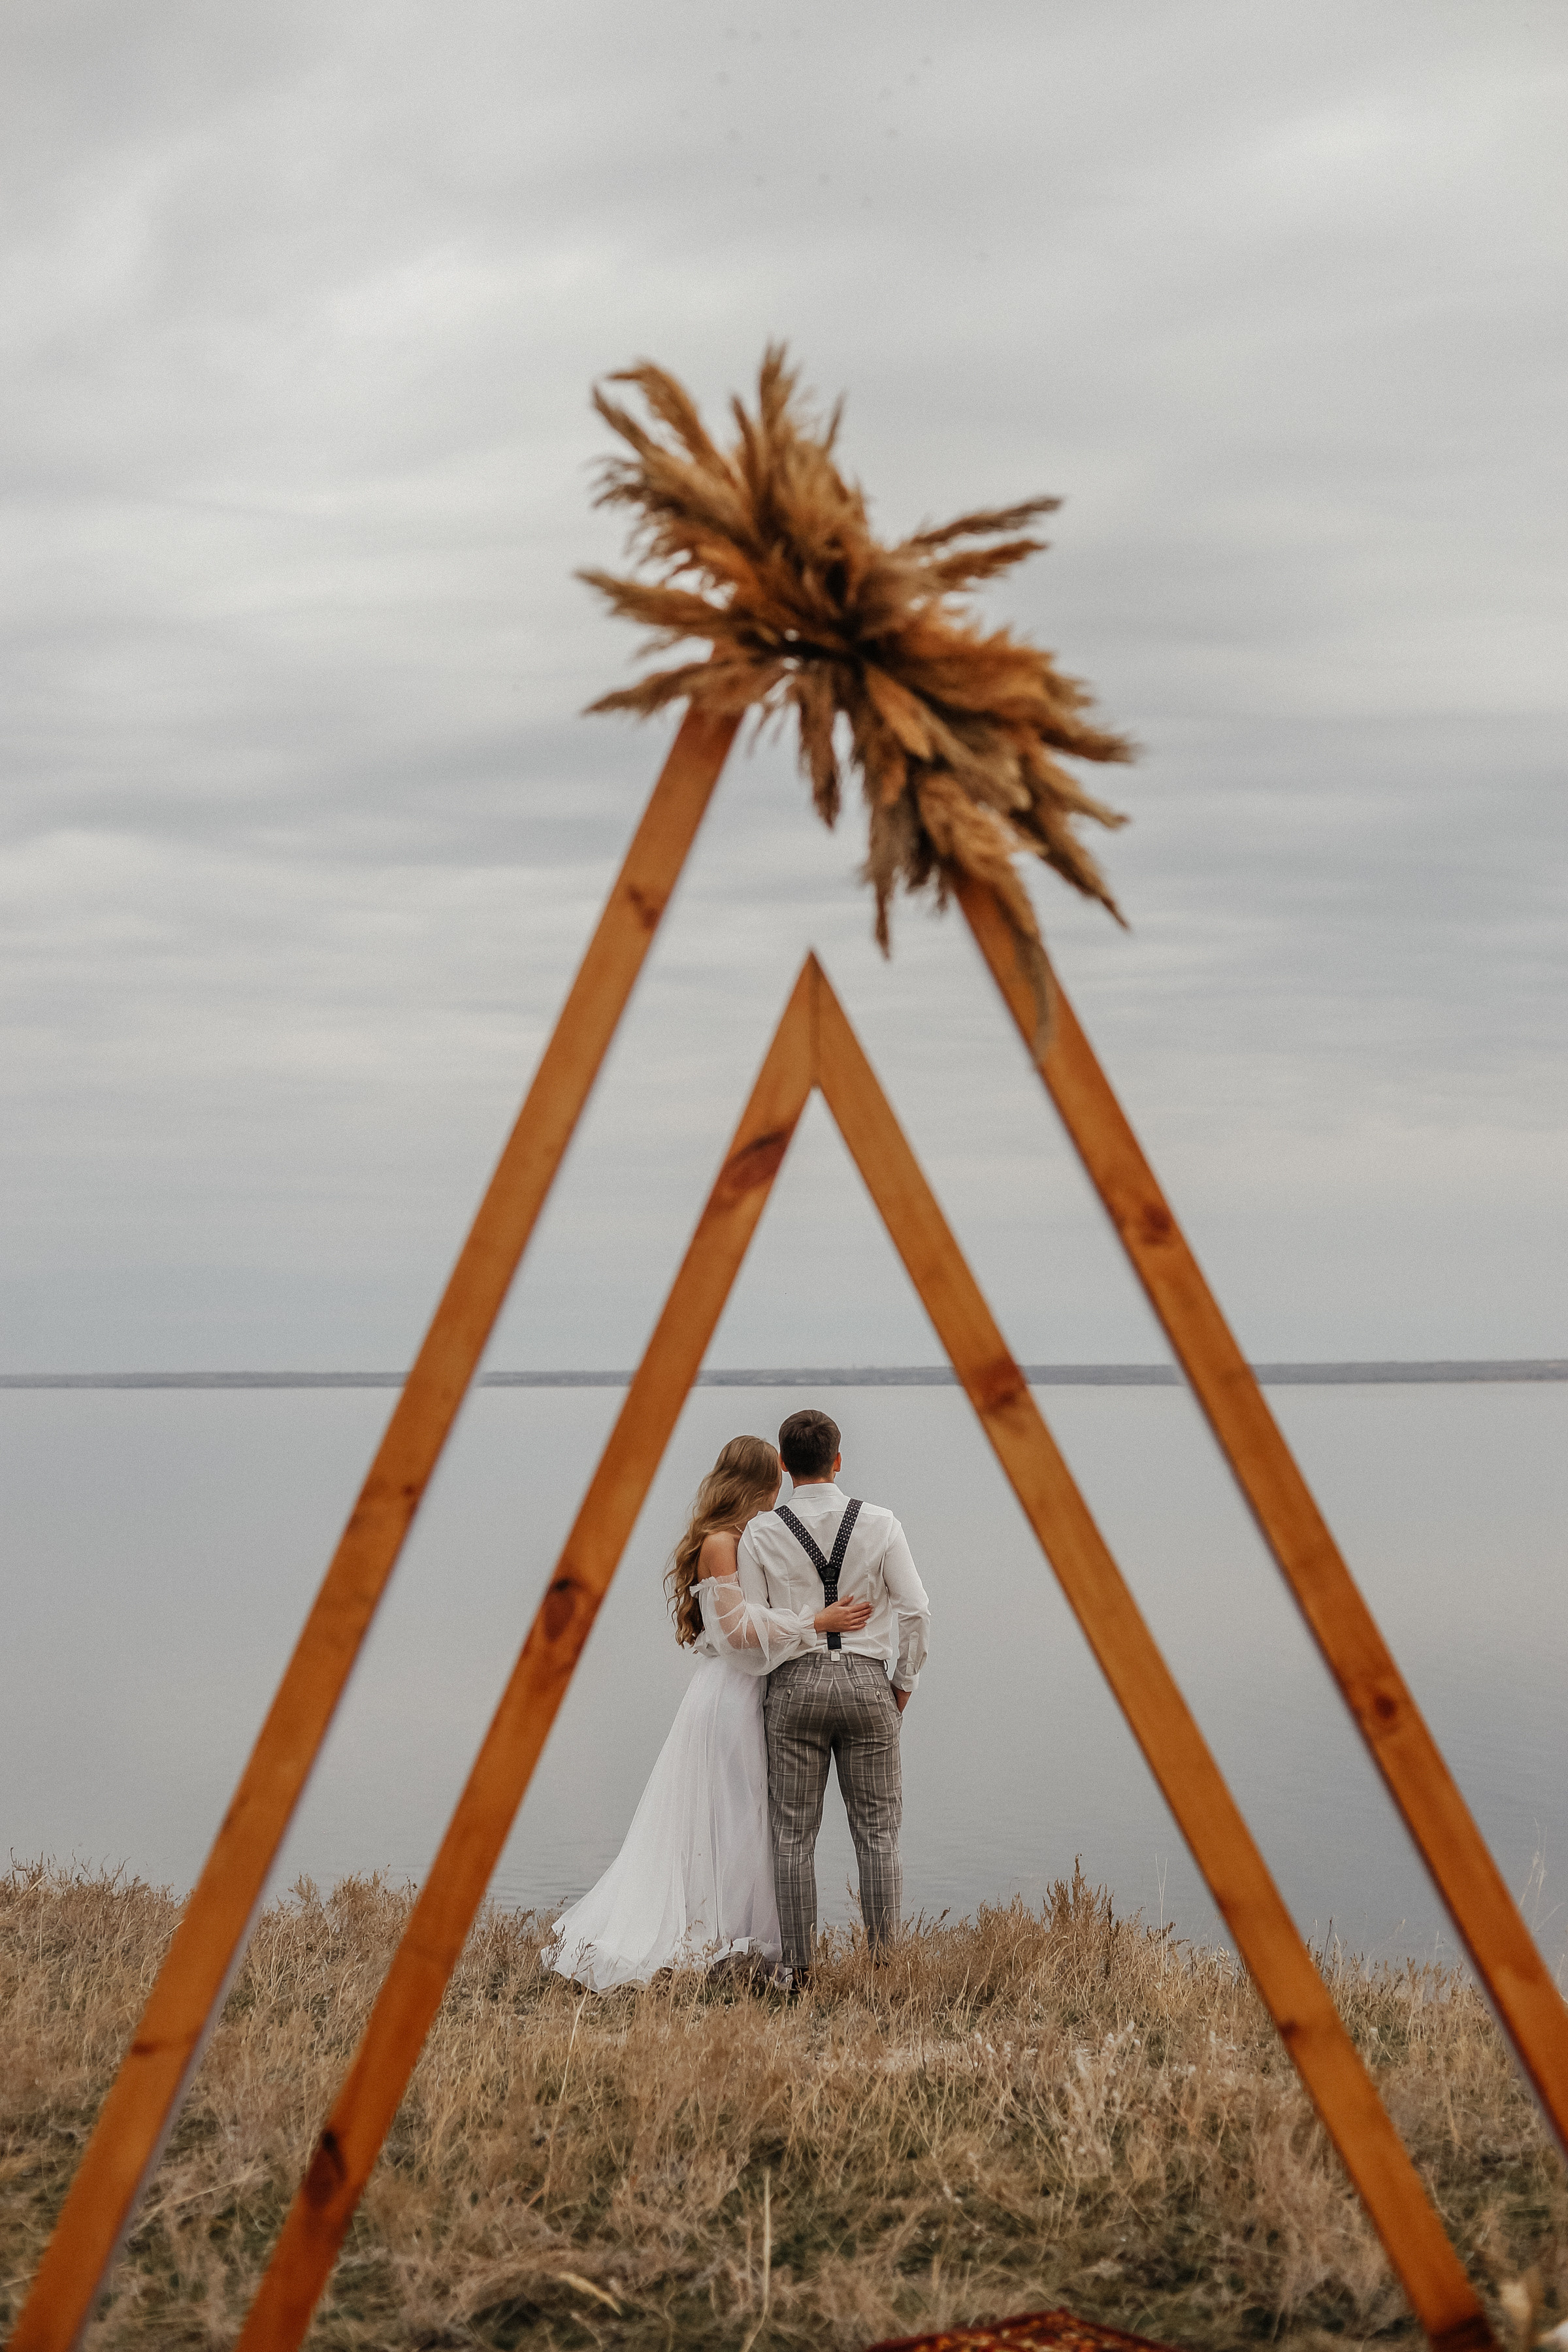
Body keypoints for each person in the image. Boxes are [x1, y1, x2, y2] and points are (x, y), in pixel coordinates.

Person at [544, 1435, 873, 1990]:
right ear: (759, 1485)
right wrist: (815, 1623)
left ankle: (741, 1940)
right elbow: (737, 1633)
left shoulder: (750, 1539)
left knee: (749, 1820)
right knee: (732, 1817)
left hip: (754, 1689)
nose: (779, 1492)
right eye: (774, 1482)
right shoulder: (720, 1543)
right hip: (731, 1695)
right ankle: (717, 1939)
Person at [740, 1407, 930, 1987]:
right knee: (878, 1832)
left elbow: (756, 1625)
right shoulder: (882, 1523)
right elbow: (917, 1610)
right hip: (869, 1684)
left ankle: (797, 1970)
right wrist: (902, 1683)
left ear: (783, 1465)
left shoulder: (760, 1533)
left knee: (792, 1835)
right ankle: (884, 1966)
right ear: (838, 1461)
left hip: (794, 1687)